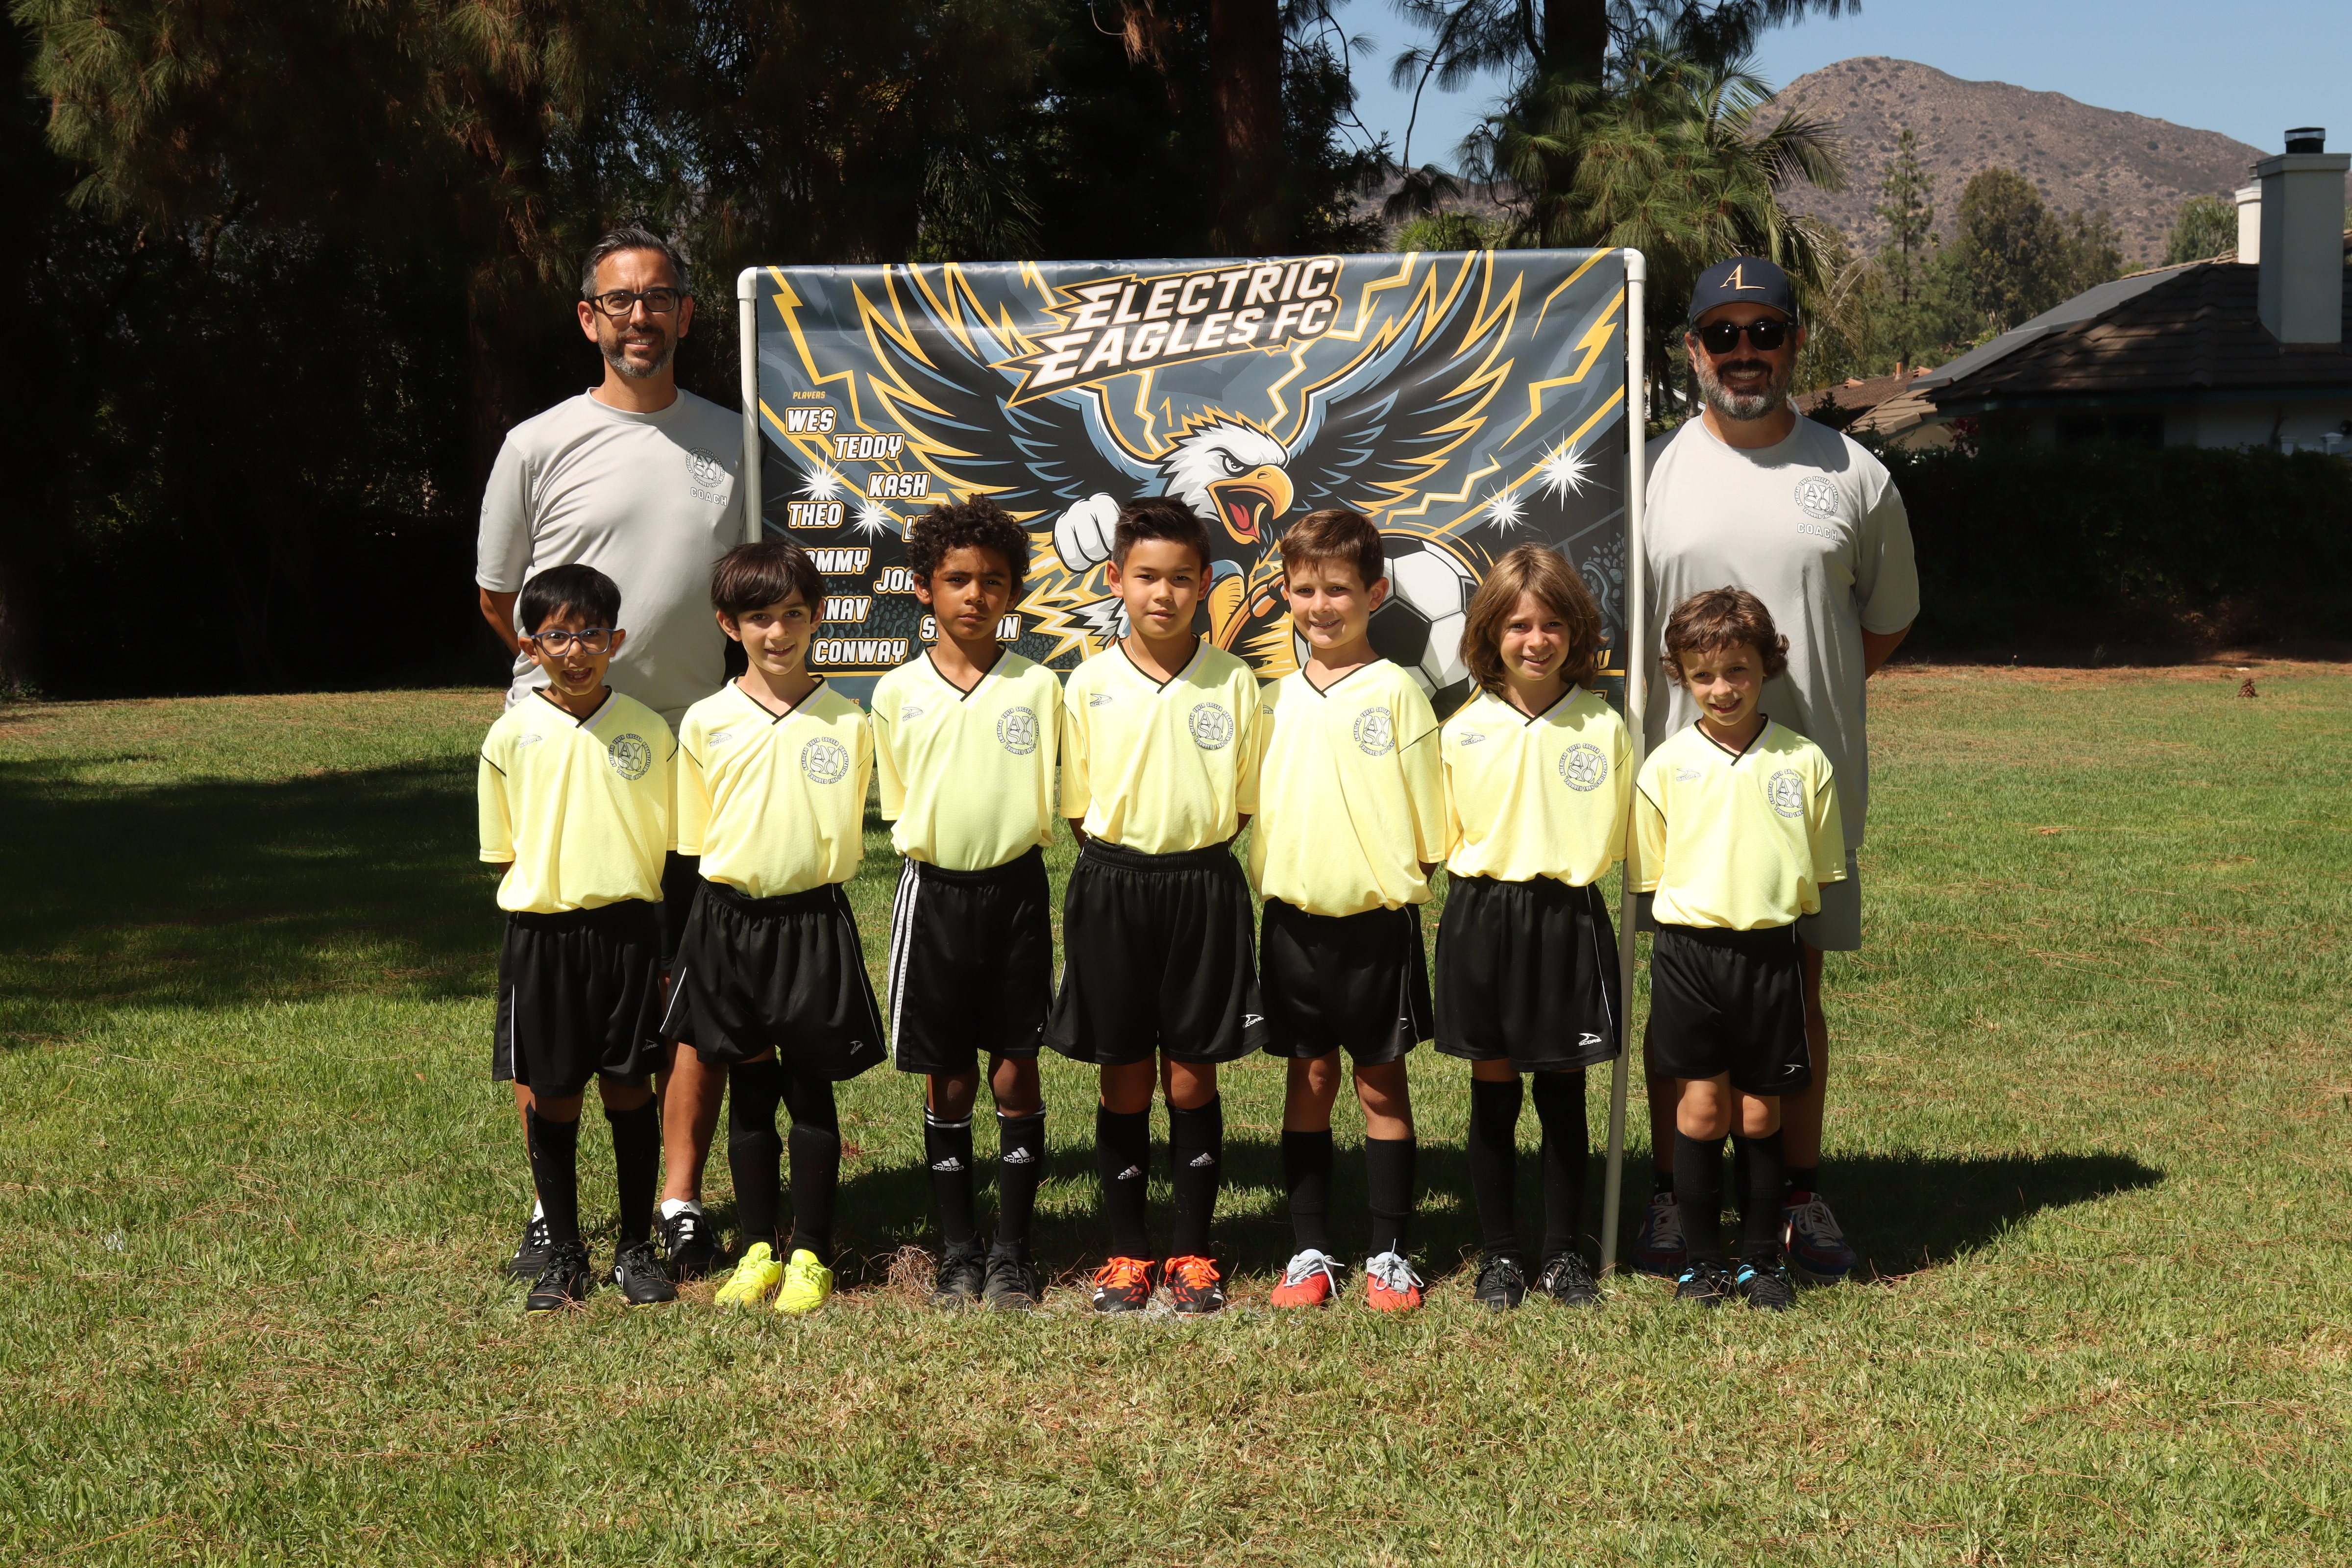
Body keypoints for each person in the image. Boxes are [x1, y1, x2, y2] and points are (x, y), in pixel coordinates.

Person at [1633, 254, 1919, 1286]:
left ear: (1797, 342)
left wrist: (1808, 710)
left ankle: (1796, 1193)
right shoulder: (1647, 472)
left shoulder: (1854, 475)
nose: (1745, 352)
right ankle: (1676, 1197)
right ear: (1692, 350)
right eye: (1724, 333)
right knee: (1680, 1005)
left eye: (1766, 331)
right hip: (1683, 792)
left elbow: (1883, 622)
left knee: (1796, 993)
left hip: (1803, 789)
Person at [475, 226, 745, 1284]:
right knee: (550, 982)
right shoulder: (536, 442)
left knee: (685, 988)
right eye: (620, 301)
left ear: (686, 314)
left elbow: (753, 585)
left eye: (659, 297)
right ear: (589, 318)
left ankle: (675, 1204)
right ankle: (553, 1217)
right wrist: (570, 689)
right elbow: (500, 597)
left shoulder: (735, 439)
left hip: (691, 750)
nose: (641, 316)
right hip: (566, 754)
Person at [1046, 498, 1269, 1318]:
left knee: (1192, 1071)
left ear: (1205, 583)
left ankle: (1194, 1252)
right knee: (1124, 1074)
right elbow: (1079, 809)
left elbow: (1240, 805)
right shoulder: (1089, 683)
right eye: (1146, 577)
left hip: (1202, 887)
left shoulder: (1235, 682)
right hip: (1113, 887)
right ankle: (1128, 1251)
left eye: (1180, 578)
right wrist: (1132, 859)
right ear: (1116, 579)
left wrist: (1184, 853)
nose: (1163, 594)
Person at [663, 541, 882, 1316]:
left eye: (793, 615)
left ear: (818, 617)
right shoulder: (706, 721)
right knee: (751, 1091)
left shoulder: (848, 721)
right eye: (760, 617)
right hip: (728, 923)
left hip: (812, 922)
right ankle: (759, 1247)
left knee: (810, 1091)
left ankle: (812, 1252)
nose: (778, 632)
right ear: (730, 625)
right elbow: (695, 841)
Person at [1250, 509, 1447, 1312]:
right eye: (1305, 590)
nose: (1321, 606)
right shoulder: (1272, 701)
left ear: (1375, 593)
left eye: (1337, 589)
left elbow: (1429, 827)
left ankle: (1389, 1254)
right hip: (1292, 924)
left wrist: (1385, 880)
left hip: (1374, 928)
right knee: (1308, 1079)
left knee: (1380, 1086)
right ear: (1285, 595)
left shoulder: (1399, 693)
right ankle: (1308, 1251)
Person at [869, 499, 1060, 1311]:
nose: (975, 595)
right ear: (925, 588)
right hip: (935, 897)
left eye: (992, 581)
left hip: (1016, 892)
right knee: (946, 1078)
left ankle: (1012, 1252)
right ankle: (957, 1251)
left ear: (1013, 593)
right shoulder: (897, 692)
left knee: (1016, 1069)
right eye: (957, 580)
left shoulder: (1040, 688)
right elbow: (901, 801)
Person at [1632, 588, 1845, 1311]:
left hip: (1769, 955)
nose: (1721, 688)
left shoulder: (1804, 761)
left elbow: (1816, 872)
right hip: (1689, 956)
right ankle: (1701, 1264)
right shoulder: (1665, 766)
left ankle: (1760, 1261)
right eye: (1703, 675)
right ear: (1681, 675)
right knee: (1700, 1110)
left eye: (1737, 671)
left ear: (1765, 666)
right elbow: (1653, 872)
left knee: (1759, 1114)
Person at [1435, 545, 1630, 1312]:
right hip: (1483, 916)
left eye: (1552, 624)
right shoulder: (1462, 729)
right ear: (1491, 632)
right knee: (1493, 1091)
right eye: (1519, 625)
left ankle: (1560, 1253)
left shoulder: (1602, 725)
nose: (1536, 640)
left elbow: (1620, 834)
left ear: (1576, 631)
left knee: (1562, 1091)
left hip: (1566, 918)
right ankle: (1500, 1255)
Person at [476, 564, 677, 1313]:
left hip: (629, 935)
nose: (576, 651)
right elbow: (503, 854)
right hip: (545, 939)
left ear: (616, 641)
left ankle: (635, 1247)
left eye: (591, 634)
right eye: (557, 637)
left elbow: (673, 843)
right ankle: (565, 1251)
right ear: (531, 647)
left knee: (630, 1088)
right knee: (555, 1095)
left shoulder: (648, 731)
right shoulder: (511, 736)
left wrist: (664, 950)